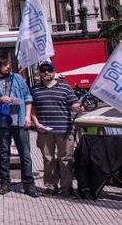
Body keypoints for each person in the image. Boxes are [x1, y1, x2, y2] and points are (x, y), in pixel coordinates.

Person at [0, 54, 38, 198]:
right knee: (3, 155)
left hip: (19, 121)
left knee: (25, 155)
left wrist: (27, 117)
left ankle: (29, 184)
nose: (9, 66)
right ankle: (5, 183)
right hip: (1, 123)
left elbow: (28, 97)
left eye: (9, 64)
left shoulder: (17, 78)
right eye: (5, 64)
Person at [31, 61, 83, 197]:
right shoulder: (35, 89)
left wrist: (78, 107)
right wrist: (36, 124)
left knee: (66, 159)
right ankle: (50, 186)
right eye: (43, 70)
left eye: (49, 70)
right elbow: (32, 110)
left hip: (64, 130)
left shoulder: (65, 88)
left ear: (54, 71)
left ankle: (66, 188)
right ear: (40, 73)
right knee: (48, 159)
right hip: (44, 131)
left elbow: (74, 104)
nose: (46, 73)